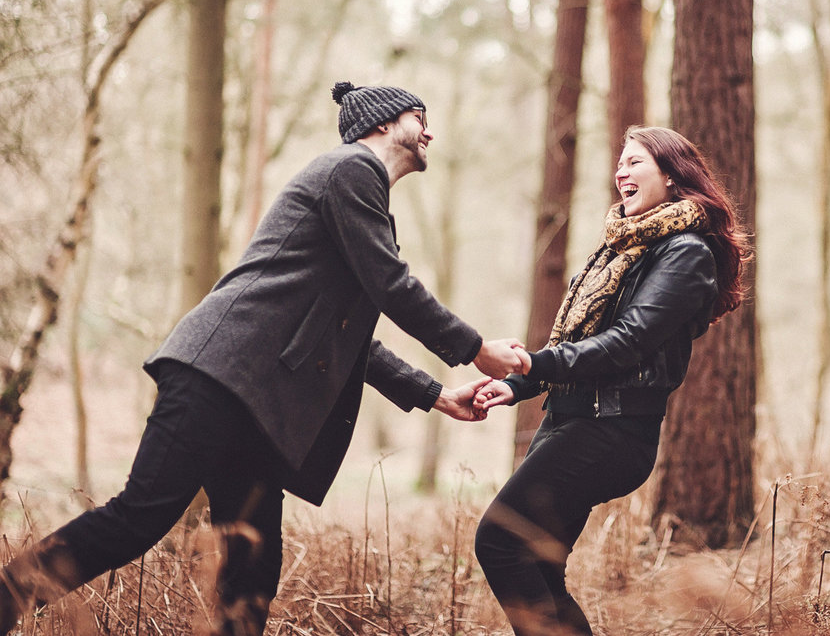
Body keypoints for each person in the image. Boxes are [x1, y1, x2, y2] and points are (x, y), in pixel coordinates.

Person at [0, 81, 529, 636]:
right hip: (217, 375)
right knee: (137, 519)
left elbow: (351, 339)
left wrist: (437, 395)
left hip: (251, 404)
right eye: (420, 117)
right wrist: (476, 350)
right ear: (383, 122)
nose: (430, 133)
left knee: (253, 563)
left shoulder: (358, 194)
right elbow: (392, 284)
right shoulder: (351, 169)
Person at [472, 125, 751, 636]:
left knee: (499, 541)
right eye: (620, 163)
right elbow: (580, 339)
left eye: (635, 162)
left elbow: (627, 342)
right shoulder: (622, 247)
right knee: (538, 567)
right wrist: (519, 385)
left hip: (612, 431)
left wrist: (534, 364)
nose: (621, 172)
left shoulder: (684, 252)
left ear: (672, 175)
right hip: (568, 420)